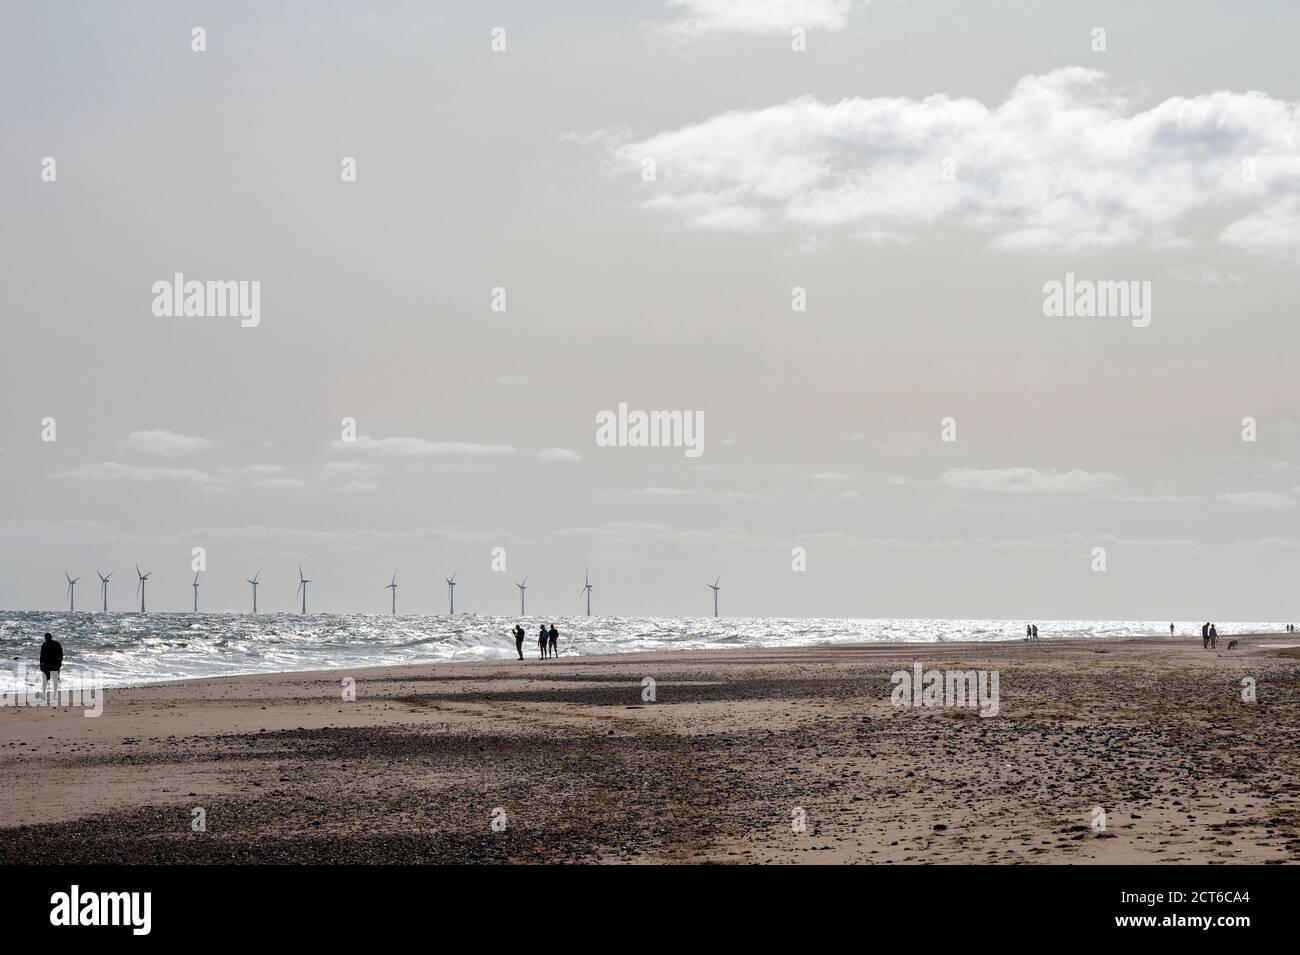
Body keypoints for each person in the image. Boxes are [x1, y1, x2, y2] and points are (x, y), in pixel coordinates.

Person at [39, 632, 63, 702]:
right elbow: (61, 654)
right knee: (53, 680)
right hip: (53, 664)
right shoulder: (56, 644)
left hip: (48, 665)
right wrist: (60, 662)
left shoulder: (44, 645)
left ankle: (45, 695)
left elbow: (41, 656)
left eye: (46, 637)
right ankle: (53, 695)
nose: (46, 639)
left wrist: (41, 665)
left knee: (46, 680)